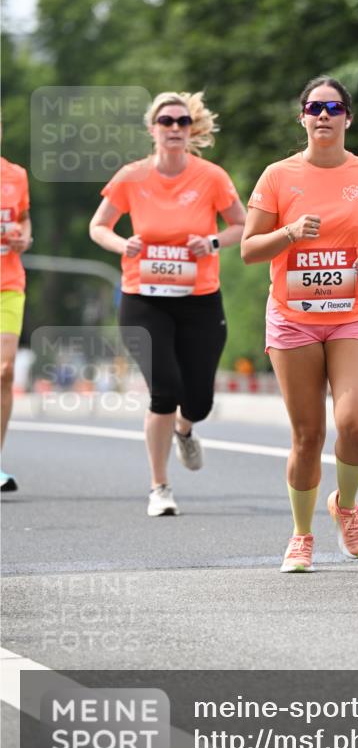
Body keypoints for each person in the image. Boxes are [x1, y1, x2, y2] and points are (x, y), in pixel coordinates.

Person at [241, 75, 358, 572]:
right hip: (294, 319)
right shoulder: (277, 176)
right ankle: (301, 534)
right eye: (314, 107)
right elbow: (249, 249)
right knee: (308, 436)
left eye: (333, 107)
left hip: (352, 313)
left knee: (354, 426)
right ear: (302, 118)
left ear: (348, 118)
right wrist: (289, 232)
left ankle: (347, 506)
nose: (323, 115)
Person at [90, 91, 246, 516]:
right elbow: (98, 226)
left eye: (181, 121)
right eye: (166, 121)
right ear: (152, 129)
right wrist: (125, 244)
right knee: (165, 388)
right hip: (144, 298)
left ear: (190, 128)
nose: (174, 128)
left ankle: (185, 429)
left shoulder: (211, 177)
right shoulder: (132, 177)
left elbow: (241, 225)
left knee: (198, 400)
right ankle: (159, 487)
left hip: (199, 299)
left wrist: (210, 241)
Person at [0, 150, 32, 492]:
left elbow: (23, 217)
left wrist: (23, 235)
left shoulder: (15, 175)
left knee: (5, 371)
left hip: (8, 283)